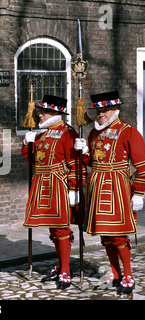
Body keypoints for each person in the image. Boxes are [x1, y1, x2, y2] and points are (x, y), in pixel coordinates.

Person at [74, 91, 145, 295]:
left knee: (119, 236)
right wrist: (84, 153)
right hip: (97, 188)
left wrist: (139, 192)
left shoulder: (129, 132)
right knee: (105, 236)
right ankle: (115, 274)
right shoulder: (94, 133)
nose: (100, 114)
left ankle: (128, 275)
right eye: (98, 111)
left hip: (118, 189)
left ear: (115, 110)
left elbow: (142, 166)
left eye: (104, 110)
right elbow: (91, 163)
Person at [22, 95, 85, 289]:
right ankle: (60, 266)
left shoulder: (68, 133)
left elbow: (76, 162)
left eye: (44, 112)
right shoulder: (42, 134)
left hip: (59, 185)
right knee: (53, 228)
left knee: (61, 228)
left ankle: (65, 271)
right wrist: (26, 144)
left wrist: (74, 188)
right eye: (40, 111)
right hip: (42, 184)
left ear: (56, 113)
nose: (39, 115)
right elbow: (32, 160)